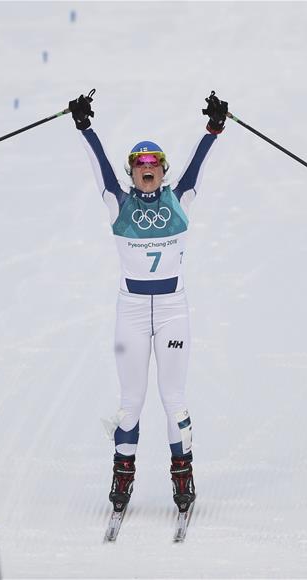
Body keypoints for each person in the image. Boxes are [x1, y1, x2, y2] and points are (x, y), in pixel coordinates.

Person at [68, 91, 228, 514]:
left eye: (153, 162)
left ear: (162, 169)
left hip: (173, 311)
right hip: (133, 313)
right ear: (132, 172)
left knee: (173, 397)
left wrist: (214, 128)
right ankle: (123, 474)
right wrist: (85, 126)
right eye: (139, 164)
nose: (146, 168)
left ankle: (182, 473)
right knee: (131, 402)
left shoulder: (180, 199)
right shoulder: (117, 203)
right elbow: (98, 164)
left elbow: (200, 160)